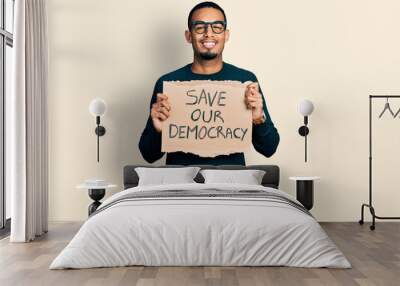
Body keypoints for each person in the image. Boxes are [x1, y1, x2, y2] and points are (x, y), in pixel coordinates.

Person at [139, 1, 279, 165]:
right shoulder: (167, 83)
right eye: (200, 27)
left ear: (226, 35)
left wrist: (258, 119)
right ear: (189, 35)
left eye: (217, 27)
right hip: (181, 186)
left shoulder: (245, 81)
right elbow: (148, 155)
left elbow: (269, 149)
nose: (208, 33)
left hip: (230, 186)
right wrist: (157, 129)